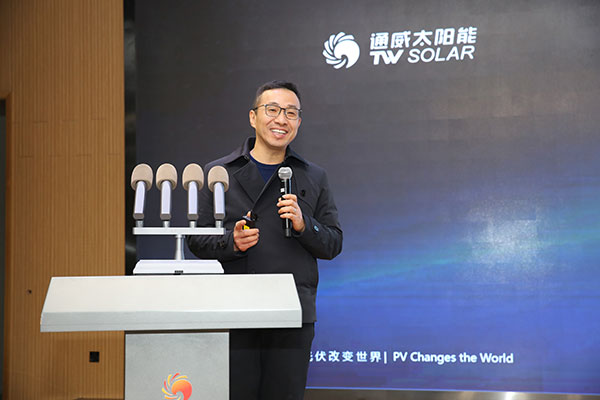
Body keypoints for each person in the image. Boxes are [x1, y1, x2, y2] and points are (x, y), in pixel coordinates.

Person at [187, 80, 343, 400]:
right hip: (233, 310)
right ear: (253, 117)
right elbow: (196, 239)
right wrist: (231, 242)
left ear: (298, 121)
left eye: (291, 113)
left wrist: (304, 224)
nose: (281, 119)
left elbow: (333, 243)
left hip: (292, 312)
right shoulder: (219, 173)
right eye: (272, 110)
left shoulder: (313, 176)